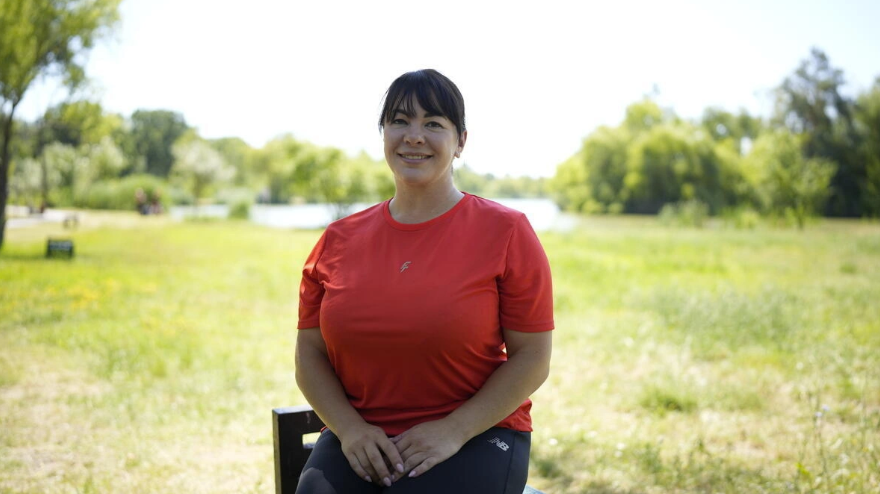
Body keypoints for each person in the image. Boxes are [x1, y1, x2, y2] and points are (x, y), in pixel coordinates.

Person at [295, 69, 554, 494]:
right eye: (400, 120)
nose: (413, 135)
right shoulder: (337, 240)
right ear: (383, 134)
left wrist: (453, 430)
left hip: (475, 433)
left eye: (433, 124)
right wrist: (350, 430)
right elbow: (309, 353)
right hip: (362, 435)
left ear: (461, 141)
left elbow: (532, 358)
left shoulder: (507, 232)